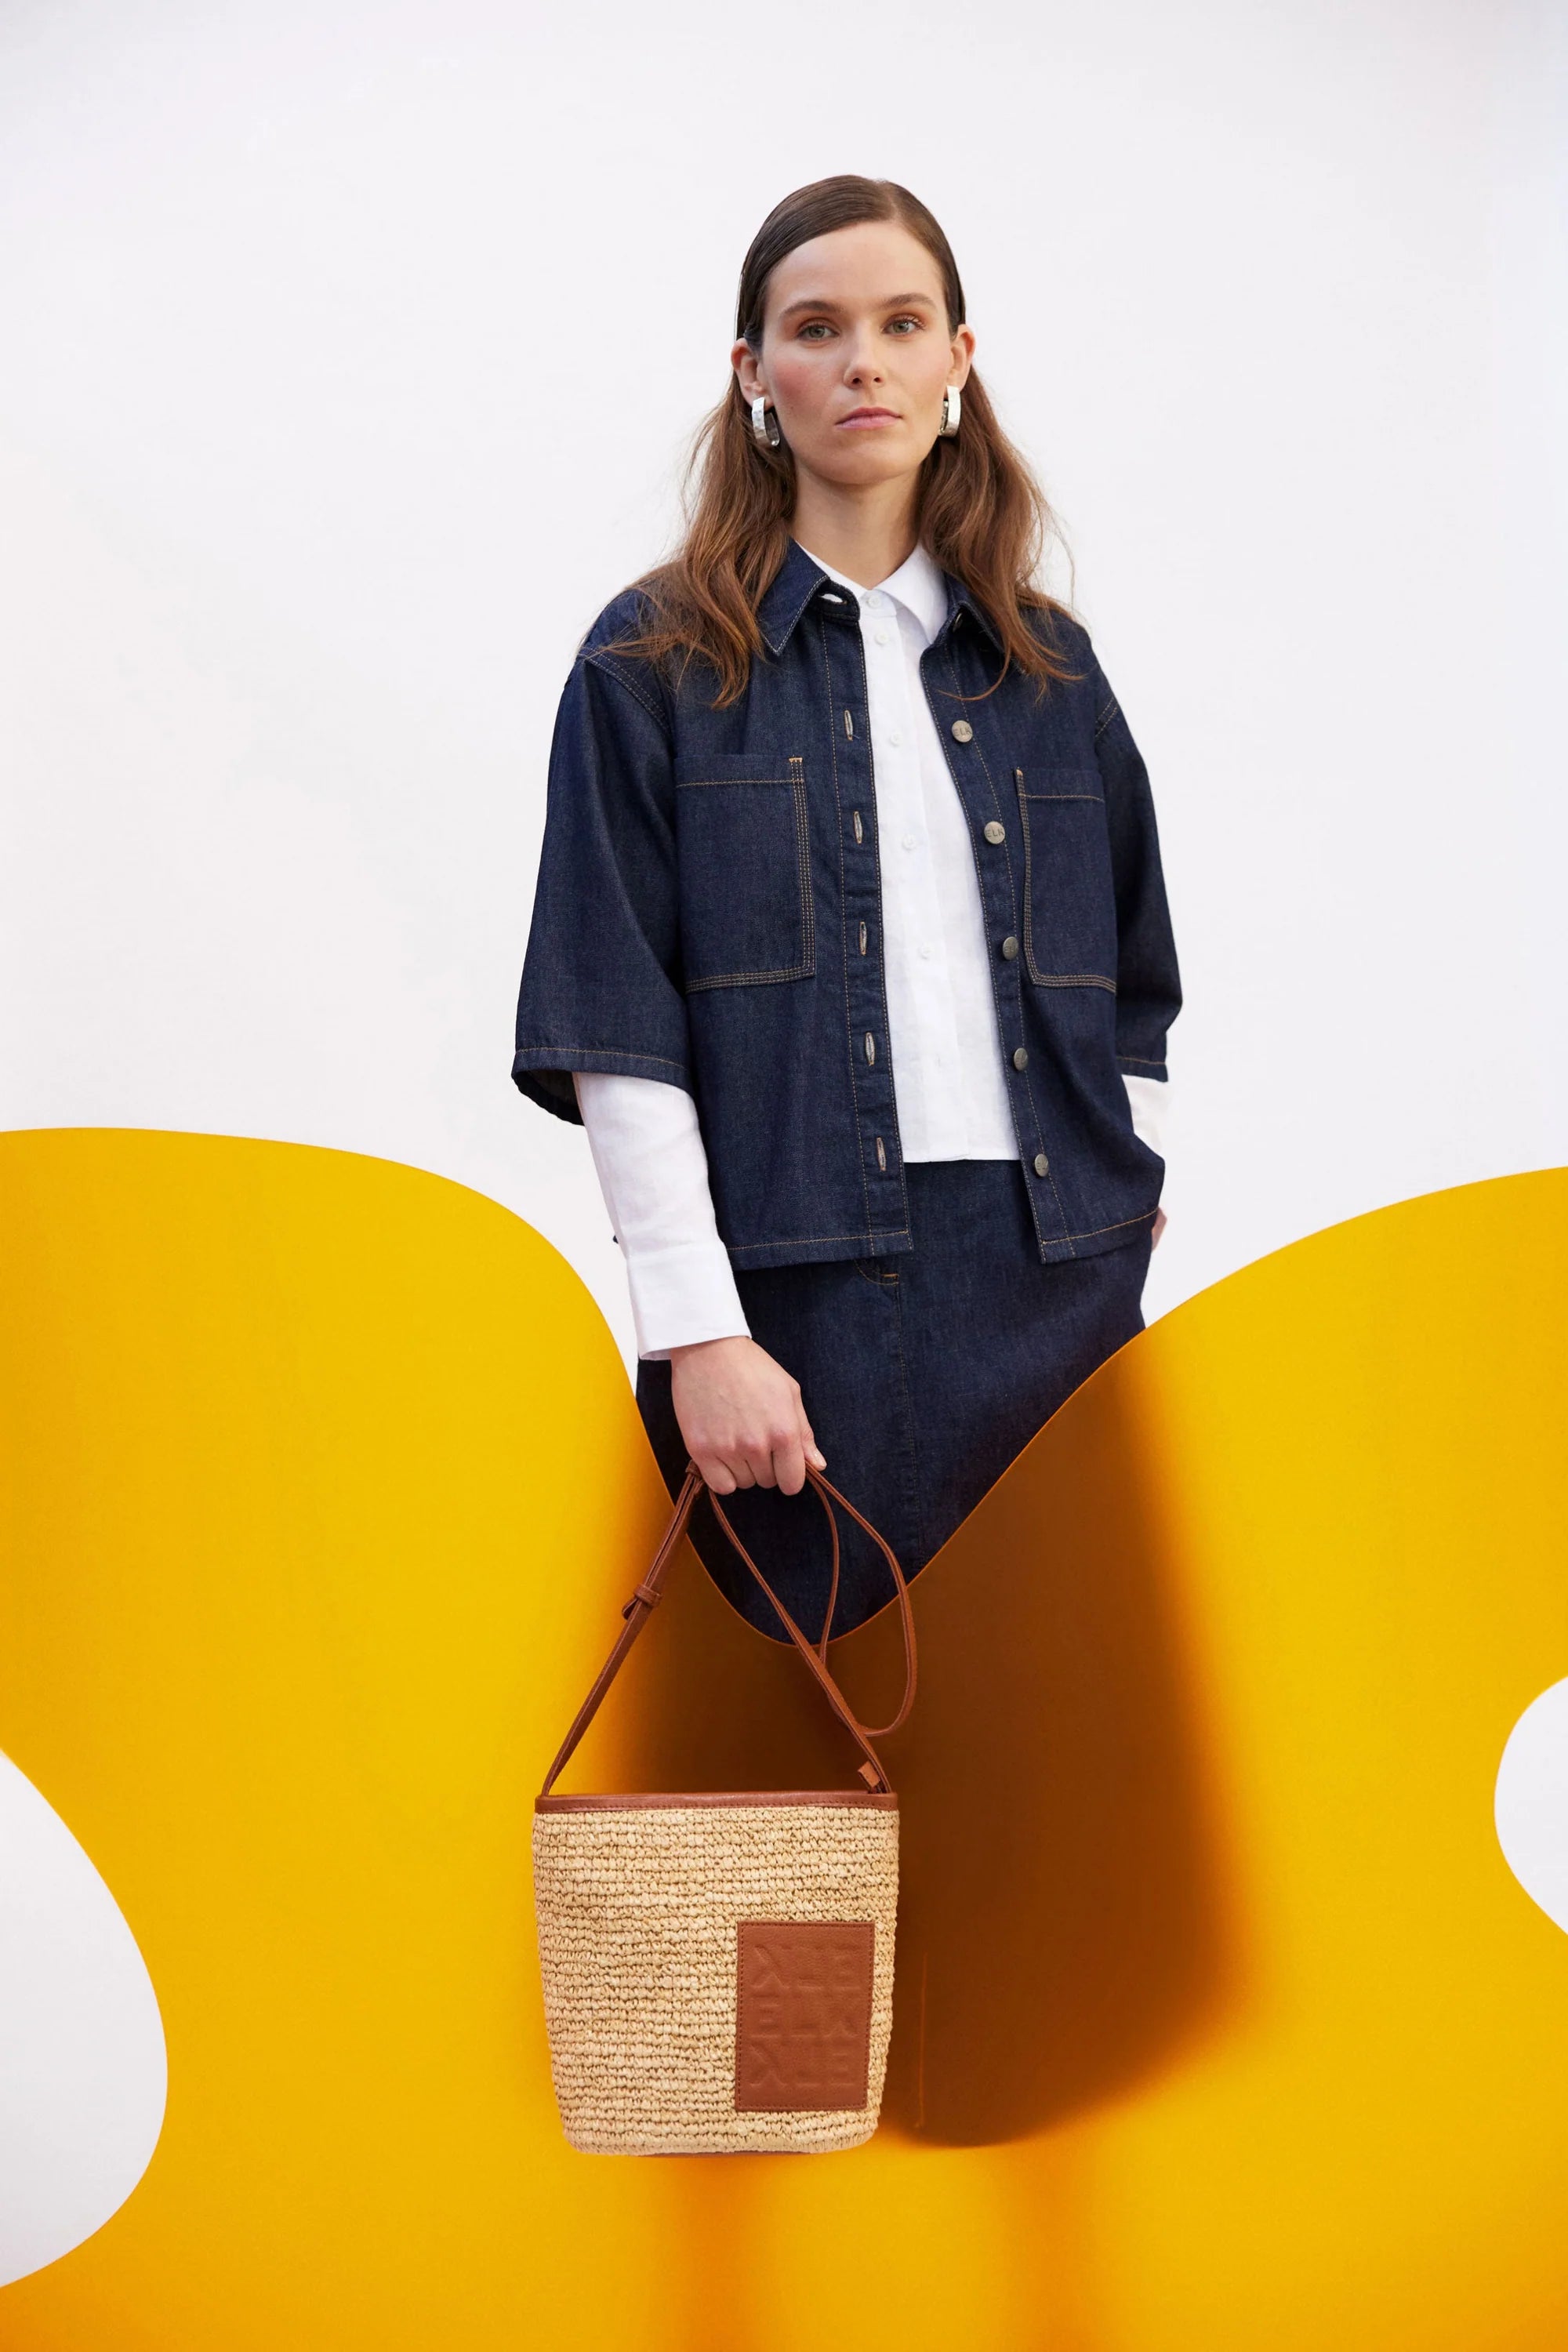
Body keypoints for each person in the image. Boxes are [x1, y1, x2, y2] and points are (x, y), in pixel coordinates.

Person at [513, 175, 1179, 1642]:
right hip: (794, 1306)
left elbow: (1126, 987)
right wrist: (700, 1333)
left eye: (902, 324)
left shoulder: (1050, 672)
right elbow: (615, 1023)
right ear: (755, 373)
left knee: (1063, 1734)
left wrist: (1116, 1218)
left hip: (1062, 1299)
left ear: (958, 361)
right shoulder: (653, 665)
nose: (862, 361)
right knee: (818, 1742)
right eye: (816, 328)